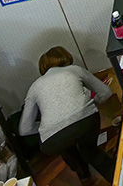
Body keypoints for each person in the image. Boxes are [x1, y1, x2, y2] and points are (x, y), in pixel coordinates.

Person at [19, 46, 115, 184]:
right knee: (90, 150)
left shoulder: (34, 86)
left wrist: (47, 127)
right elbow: (106, 92)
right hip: (85, 122)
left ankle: (82, 173)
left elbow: (24, 129)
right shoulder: (74, 70)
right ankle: (121, 179)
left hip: (52, 141)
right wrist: (91, 104)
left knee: (64, 142)